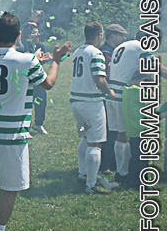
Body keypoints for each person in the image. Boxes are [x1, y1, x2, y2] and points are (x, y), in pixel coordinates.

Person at [0, 12, 70, 231]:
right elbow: (48, 83)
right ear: (19, 35)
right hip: (11, 132)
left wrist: (35, 60)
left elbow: (11, 65)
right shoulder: (26, 61)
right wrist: (56, 60)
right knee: (10, 188)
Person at [106, 31, 167, 185]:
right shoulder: (141, 47)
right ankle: (127, 173)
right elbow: (155, 67)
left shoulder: (123, 46)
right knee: (133, 135)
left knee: (121, 135)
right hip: (125, 96)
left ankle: (121, 170)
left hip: (111, 93)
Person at [69, 22, 117, 194]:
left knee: (84, 137)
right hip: (91, 103)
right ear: (99, 34)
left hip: (76, 101)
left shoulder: (77, 51)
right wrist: (110, 92)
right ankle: (91, 184)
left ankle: (83, 173)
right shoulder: (96, 53)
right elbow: (99, 79)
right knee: (95, 143)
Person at [98, 24, 128, 173]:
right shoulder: (106, 52)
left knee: (112, 130)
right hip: (106, 94)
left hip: (107, 94)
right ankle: (106, 164)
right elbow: (106, 74)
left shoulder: (112, 51)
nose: (123, 39)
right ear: (112, 36)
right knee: (110, 131)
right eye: (121, 35)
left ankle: (111, 162)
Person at [22, 25, 51, 135]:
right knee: (26, 102)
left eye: (38, 32)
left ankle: (38, 124)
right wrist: (36, 57)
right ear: (29, 34)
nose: (38, 34)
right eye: (35, 32)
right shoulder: (24, 45)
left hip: (38, 77)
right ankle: (24, 126)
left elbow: (44, 59)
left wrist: (45, 58)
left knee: (41, 100)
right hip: (26, 79)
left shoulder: (41, 45)